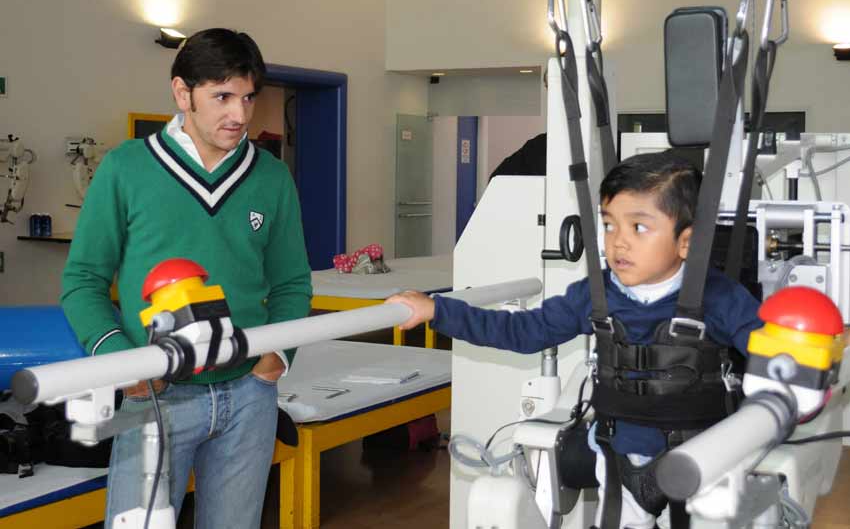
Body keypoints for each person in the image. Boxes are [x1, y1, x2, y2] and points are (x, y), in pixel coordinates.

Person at [387, 152, 762, 528]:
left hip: (704, 457)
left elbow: (773, 353)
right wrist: (439, 310)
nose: (619, 243)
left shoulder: (720, 298)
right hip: (620, 458)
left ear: (687, 242)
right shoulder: (593, 297)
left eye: (639, 228)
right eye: (610, 225)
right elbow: (523, 330)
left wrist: (799, 358)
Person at [61, 28, 312, 528]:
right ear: (182, 93)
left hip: (248, 396)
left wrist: (277, 356)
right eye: (221, 96)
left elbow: (291, 284)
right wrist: (121, 362)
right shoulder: (126, 168)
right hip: (155, 394)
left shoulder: (271, 177)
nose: (239, 115)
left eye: (247, 98)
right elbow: (83, 280)